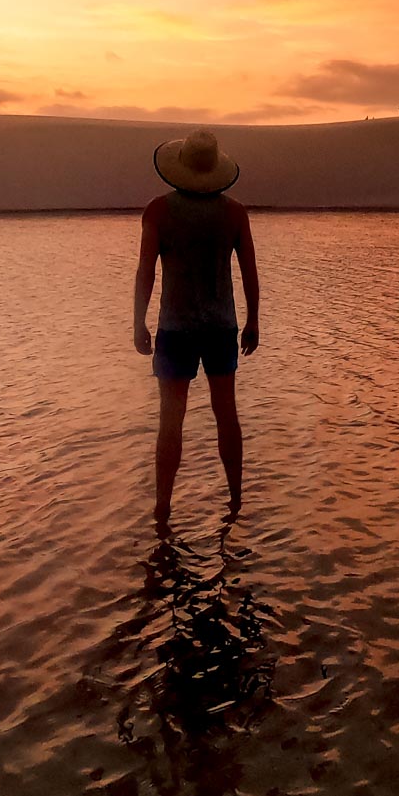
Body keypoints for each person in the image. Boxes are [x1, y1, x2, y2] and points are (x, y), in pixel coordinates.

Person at [133, 130, 259, 525]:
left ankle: (163, 509)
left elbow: (146, 273)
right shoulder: (235, 212)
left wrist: (139, 322)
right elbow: (250, 273)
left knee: (171, 420)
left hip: (175, 327)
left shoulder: (158, 211)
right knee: (227, 414)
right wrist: (254, 319)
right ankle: (236, 502)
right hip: (222, 325)